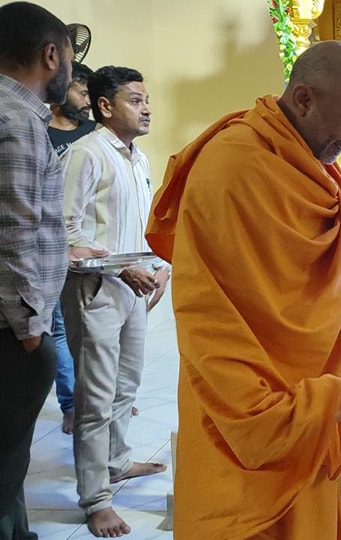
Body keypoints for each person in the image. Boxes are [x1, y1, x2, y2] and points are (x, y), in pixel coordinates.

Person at [144, 41, 341, 540]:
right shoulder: (230, 167)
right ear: (305, 99)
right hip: (245, 414)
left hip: (309, 415)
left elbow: (290, 294)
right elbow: (210, 313)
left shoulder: (316, 165)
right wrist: (270, 416)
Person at [59, 65, 168, 538]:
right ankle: (96, 500)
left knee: (127, 385)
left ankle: (117, 461)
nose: (147, 109)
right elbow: (65, 231)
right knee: (95, 398)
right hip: (96, 288)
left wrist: (159, 266)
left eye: (147, 100)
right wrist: (120, 268)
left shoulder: (137, 158)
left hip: (135, 286)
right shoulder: (86, 153)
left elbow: (141, 227)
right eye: (135, 100)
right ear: (105, 106)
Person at [0, 4, 72, 539]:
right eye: (68, 56)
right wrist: (30, 330)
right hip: (10, 332)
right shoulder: (17, 120)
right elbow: (15, 231)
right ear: (50, 54)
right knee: (5, 466)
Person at [47, 59, 97, 435]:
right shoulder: (39, 132)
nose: (87, 100)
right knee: (61, 329)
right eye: (81, 91)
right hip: (52, 245)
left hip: (92, 250)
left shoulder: (94, 134)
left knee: (95, 331)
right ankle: (71, 405)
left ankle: (97, 398)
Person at [48, 61, 95, 155]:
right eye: (83, 94)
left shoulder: (96, 130)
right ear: (61, 91)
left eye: (91, 96)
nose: (89, 102)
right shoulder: (39, 133)